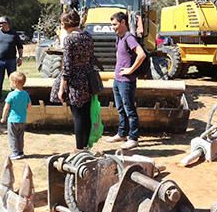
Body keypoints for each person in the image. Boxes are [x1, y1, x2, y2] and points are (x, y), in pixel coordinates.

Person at [49, 10, 97, 151]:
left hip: (75, 80)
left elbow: (68, 66)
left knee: (77, 115)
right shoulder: (87, 36)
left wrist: (62, 88)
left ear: (67, 23)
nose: (62, 25)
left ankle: (79, 148)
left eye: (62, 22)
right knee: (86, 114)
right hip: (87, 78)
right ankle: (86, 146)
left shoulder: (69, 39)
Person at [105, 11, 145, 150]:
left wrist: (130, 70)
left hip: (126, 81)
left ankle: (133, 138)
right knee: (121, 109)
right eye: (112, 25)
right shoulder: (119, 38)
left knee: (130, 110)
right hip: (118, 80)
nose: (113, 27)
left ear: (123, 23)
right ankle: (122, 134)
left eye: (115, 24)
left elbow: (141, 55)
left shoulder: (129, 38)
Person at [0, 15, 23, 102]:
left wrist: (20, 57)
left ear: (7, 23)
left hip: (11, 60)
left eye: (1, 23)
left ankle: (14, 96)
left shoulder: (14, 34)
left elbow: (20, 47)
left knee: (13, 79)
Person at [1, 70, 29, 160]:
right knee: (20, 136)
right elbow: (29, 105)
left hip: (13, 120)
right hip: (22, 119)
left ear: (14, 83)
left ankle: (15, 153)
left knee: (12, 137)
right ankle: (21, 152)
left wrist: (3, 117)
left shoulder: (11, 95)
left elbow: (6, 108)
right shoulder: (25, 94)